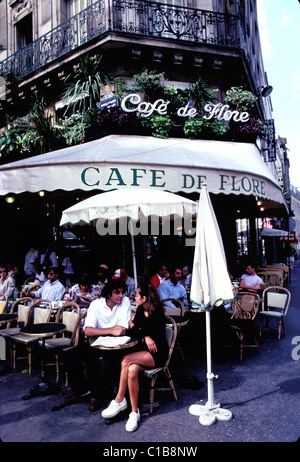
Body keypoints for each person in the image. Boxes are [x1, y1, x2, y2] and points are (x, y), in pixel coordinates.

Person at [101, 282, 169, 432]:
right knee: (131, 370)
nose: (134, 297)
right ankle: (134, 412)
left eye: (137, 295)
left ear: (144, 298)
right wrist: (142, 332)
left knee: (126, 360)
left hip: (158, 354)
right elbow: (135, 332)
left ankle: (119, 400)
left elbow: (147, 331)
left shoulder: (157, 312)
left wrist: (139, 329)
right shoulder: (139, 310)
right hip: (145, 352)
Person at [61, 279, 131, 412]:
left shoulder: (125, 302)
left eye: (122, 292)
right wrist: (110, 330)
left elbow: (122, 329)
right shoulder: (96, 304)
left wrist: (103, 331)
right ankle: (82, 391)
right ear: (108, 294)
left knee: (104, 363)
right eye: (117, 293)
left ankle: (96, 396)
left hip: (116, 346)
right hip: (96, 343)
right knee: (69, 356)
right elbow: (87, 330)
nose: (121, 295)